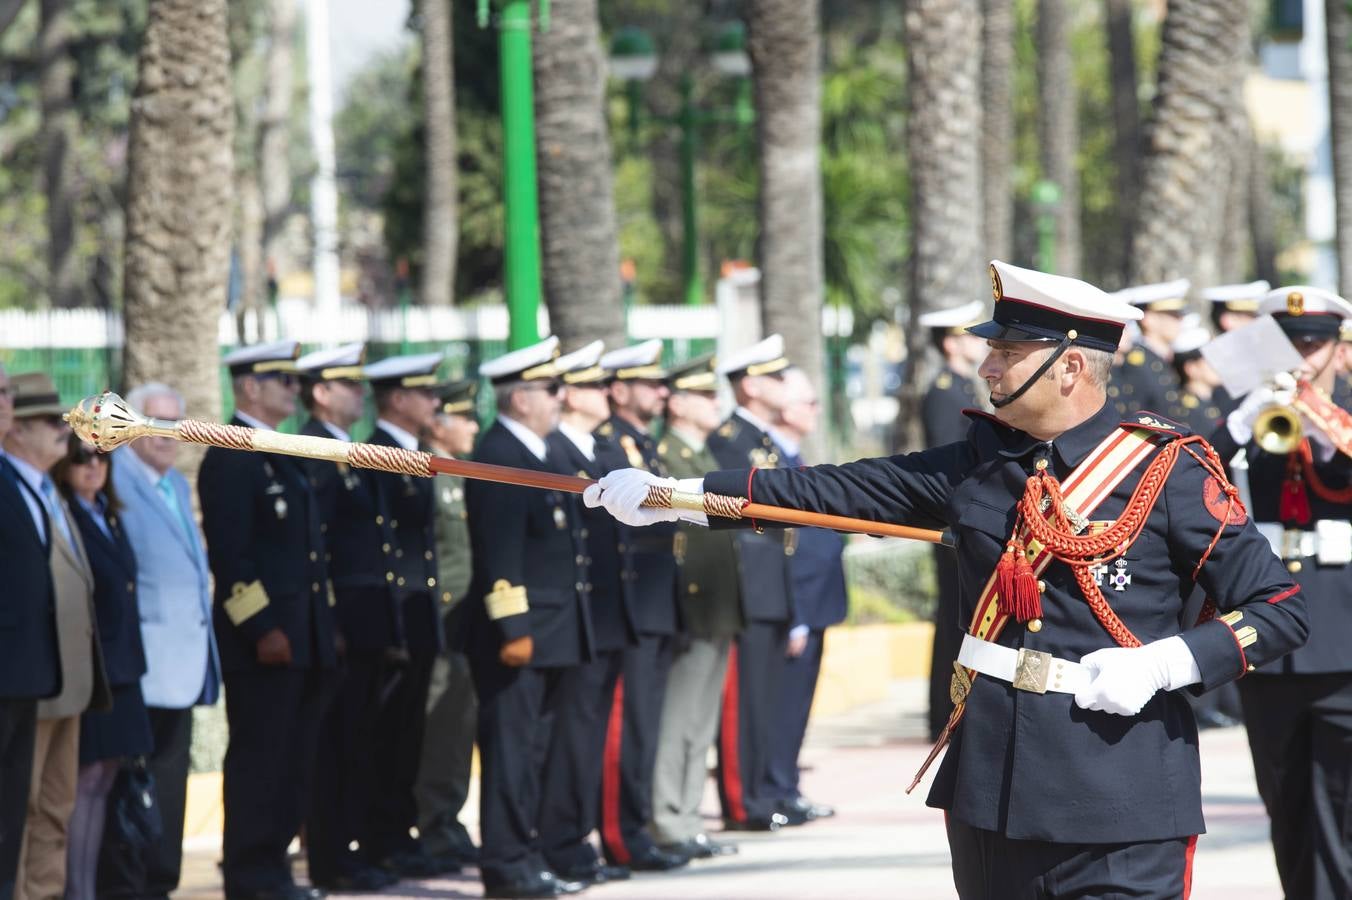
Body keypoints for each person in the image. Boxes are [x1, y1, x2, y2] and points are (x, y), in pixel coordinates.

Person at [588, 260, 1311, 899]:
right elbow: (831, 491)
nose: (987, 365)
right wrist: (671, 495)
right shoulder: (979, 461)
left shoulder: (1169, 469)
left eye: (1006, 349)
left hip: (1122, 797)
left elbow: (1278, 607)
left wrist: (1166, 664)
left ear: (1069, 366)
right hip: (996, 792)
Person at [1212, 286, 1352, 898]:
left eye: (1315, 343)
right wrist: (1240, 422)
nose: (1302, 355)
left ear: (1337, 349)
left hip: (1345, 626)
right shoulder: (1236, 409)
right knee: (1286, 798)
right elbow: (1177, 477)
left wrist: (1331, 436)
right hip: (1268, 627)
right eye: (1289, 343)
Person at [198, 341, 337, 900]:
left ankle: (275, 870)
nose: (294, 389)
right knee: (260, 758)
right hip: (266, 641)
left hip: (303, 636)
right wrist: (261, 629)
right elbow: (232, 559)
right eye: (282, 378)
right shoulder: (231, 453)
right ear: (249, 386)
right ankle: (251, 873)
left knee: (292, 760)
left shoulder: (283, 451)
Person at [458, 337, 589, 899]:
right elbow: (499, 554)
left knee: (537, 751)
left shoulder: (543, 450)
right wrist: (513, 629)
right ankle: (506, 865)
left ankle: (529, 854)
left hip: (556, 628)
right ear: (519, 399)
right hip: (523, 634)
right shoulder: (498, 456)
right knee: (511, 754)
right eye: (551, 389)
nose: (562, 398)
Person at [103, 382, 220, 900]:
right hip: (145, 664)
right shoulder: (120, 482)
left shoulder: (172, 484)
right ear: (131, 425)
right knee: (133, 788)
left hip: (183, 661)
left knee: (170, 781)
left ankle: (162, 879)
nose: (168, 434)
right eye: (157, 421)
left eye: (176, 421)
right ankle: (136, 883)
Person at [292, 343, 399, 893]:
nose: (360, 395)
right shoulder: (311, 452)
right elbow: (320, 547)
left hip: (366, 623)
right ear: (321, 393)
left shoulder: (348, 451)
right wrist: (329, 618)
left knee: (359, 743)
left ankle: (349, 848)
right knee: (333, 747)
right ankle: (331, 856)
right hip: (338, 624)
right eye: (348, 385)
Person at [536, 341, 637, 885]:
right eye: (596, 385)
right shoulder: (553, 453)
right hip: (575, 617)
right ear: (570, 394)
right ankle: (559, 842)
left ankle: (575, 840)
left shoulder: (601, 453)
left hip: (604, 615)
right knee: (568, 736)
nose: (606, 393)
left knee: (588, 735)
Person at [7, 372, 110, 900]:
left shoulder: (51, 491)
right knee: (17, 808)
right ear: (15, 430)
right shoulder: (14, 487)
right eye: (50, 421)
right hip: (27, 677)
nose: (62, 431)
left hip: (66, 677)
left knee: (55, 807)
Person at [592, 341, 688, 872]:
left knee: (644, 728)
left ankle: (638, 826)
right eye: (650, 383)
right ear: (618, 389)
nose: (662, 391)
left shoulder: (642, 447)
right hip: (629, 606)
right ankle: (621, 835)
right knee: (623, 731)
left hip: (654, 605)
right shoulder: (610, 447)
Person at [354, 352, 448, 877]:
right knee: (384, 738)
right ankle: (379, 839)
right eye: (424, 392)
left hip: (416, 618)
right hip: (393, 620)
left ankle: (399, 834)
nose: (434, 401)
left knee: (409, 737)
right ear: (396, 399)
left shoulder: (414, 451)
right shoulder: (378, 453)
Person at [648, 356, 742, 861]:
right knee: (678, 719)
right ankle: (667, 818)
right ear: (678, 403)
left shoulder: (704, 451)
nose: (715, 404)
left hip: (716, 608)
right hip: (690, 608)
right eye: (704, 396)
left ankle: (686, 816)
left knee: (700, 721)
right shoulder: (666, 456)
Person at [705, 334, 798, 832]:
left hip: (771, 584)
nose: (784, 384)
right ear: (749, 386)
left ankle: (761, 792)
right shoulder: (729, 438)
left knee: (763, 700)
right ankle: (743, 801)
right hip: (748, 584)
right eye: (775, 377)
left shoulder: (761, 440)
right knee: (742, 704)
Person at [55, 436, 153, 900]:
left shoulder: (109, 515)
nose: (93, 466)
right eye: (81, 458)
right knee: (85, 781)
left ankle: (89, 888)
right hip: (95, 668)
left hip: (123, 666)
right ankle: (80, 891)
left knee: (106, 777)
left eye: (101, 457)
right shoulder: (67, 515)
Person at [761, 367, 846, 822]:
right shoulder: (771, 456)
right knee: (781, 706)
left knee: (796, 708)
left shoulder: (791, 453)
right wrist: (793, 613)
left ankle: (786, 785)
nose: (815, 411)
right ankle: (775, 788)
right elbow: (782, 546)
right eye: (808, 403)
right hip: (794, 605)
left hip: (814, 603)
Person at [0, 362, 63, 900]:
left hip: (22, 672)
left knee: (11, 810)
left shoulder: (12, 477)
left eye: (6, 392)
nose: (5, 402)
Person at [413, 378, 482, 870]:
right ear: (439, 424)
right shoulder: (424, 471)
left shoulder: (462, 474)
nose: (474, 425)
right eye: (465, 417)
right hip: (437, 622)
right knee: (437, 730)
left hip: (464, 624)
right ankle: (433, 825)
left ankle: (449, 821)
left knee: (458, 729)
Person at [915, 300, 988, 742]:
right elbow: (948, 465)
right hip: (951, 524)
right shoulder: (944, 390)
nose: (977, 344)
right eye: (968, 336)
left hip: (960, 521)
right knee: (951, 617)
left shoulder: (960, 386)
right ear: (949, 342)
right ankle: (943, 709)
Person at [1109, 278, 1189, 420]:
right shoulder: (1136, 363)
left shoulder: (1158, 361)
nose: (1180, 320)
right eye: (1172, 315)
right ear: (1149, 319)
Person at [1202, 281, 1267, 419]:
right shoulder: (1215, 361)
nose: (1257, 322)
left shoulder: (1250, 358)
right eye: (1251, 317)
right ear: (1228, 320)